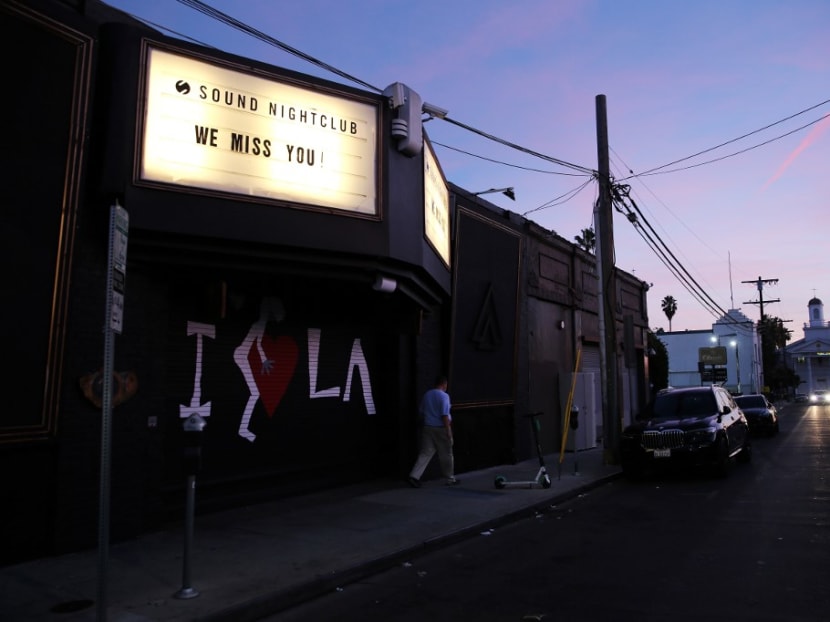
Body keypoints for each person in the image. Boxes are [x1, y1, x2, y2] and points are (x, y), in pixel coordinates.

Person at [407, 375, 460, 487]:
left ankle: (414, 476)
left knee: (425, 453)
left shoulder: (427, 395)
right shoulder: (444, 396)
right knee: (447, 454)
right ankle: (450, 479)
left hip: (428, 427)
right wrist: (448, 431)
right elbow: (445, 415)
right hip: (441, 428)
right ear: (444, 384)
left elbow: (421, 411)